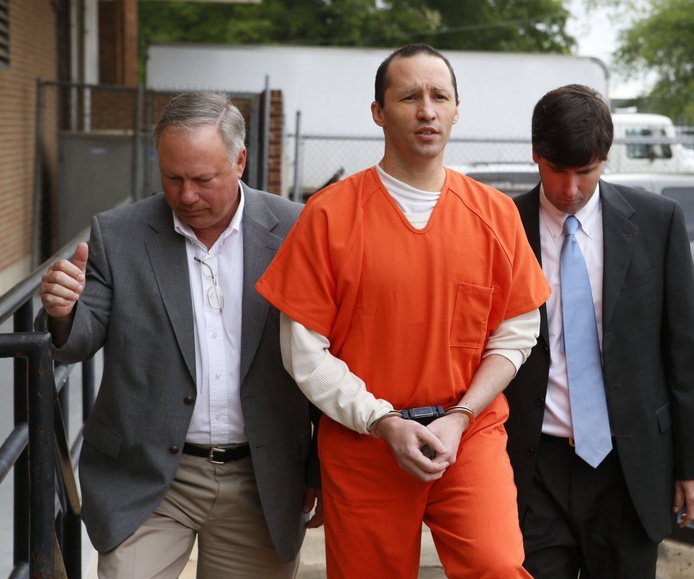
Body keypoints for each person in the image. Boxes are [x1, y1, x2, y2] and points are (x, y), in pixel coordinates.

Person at [255, 43, 550, 578]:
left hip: (469, 434)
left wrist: (462, 416)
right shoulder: (329, 215)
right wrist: (382, 420)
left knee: (499, 565)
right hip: (366, 441)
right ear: (378, 112)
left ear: (457, 110)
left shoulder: (495, 215)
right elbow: (303, 353)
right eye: (409, 96)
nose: (427, 110)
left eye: (440, 96)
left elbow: (516, 332)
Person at [37, 91, 321, 578]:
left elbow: (325, 352)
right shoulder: (118, 233)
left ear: (240, 162)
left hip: (262, 478)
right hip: (145, 479)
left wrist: (320, 466)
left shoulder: (298, 229)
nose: (186, 195)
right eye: (173, 178)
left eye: (202, 179)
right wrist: (62, 311)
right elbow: (79, 340)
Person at [504, 83, 694, 578]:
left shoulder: (657, 221)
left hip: (631, 466)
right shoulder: (502, 226)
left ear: (605, 158)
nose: (571, 188)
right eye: (558, 170)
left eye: (587, 171)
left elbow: (685, 352)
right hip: (533, 465)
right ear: (536, 154)